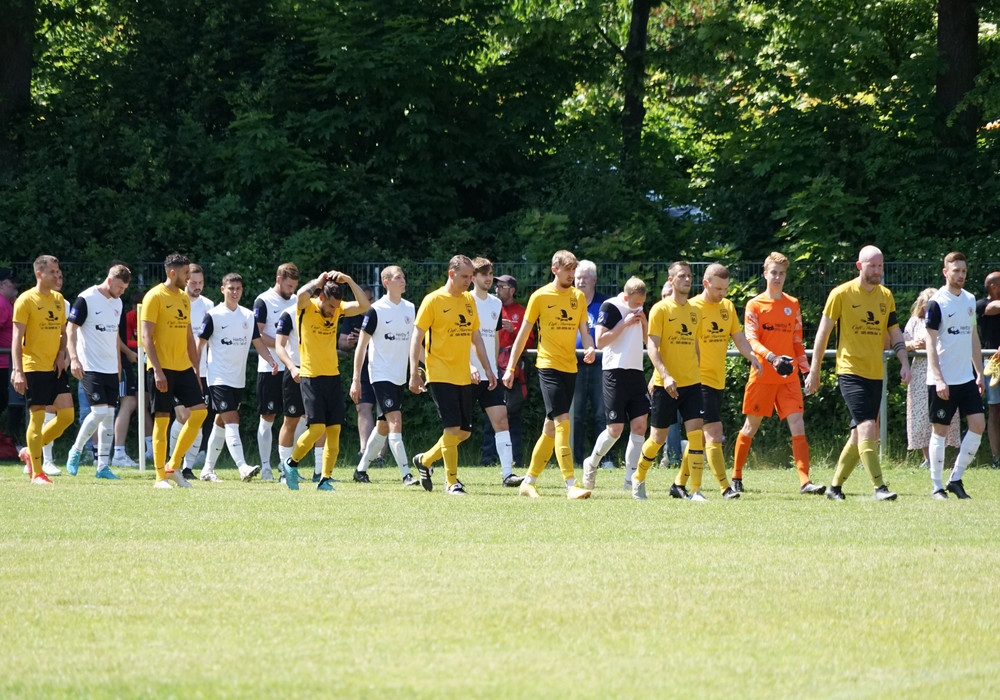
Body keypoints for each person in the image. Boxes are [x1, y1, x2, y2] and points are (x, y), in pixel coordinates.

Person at [805, 245, 910, 501]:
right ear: (859, 266)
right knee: (867, 427)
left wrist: (904, 362)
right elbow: (823, 334)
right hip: (850, 371)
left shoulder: (886, 296)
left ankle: (834, 488)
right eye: (872, 266)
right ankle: (879, 487)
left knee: (858, 435)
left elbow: (894, 331)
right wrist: (814, 370)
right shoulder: (841, 293)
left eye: (880, 265)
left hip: (875, 373)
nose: (877, 270)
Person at [502, 250, 595, 499]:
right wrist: (510, 368)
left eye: (574, 270)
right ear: (555, 270)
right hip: (548, 366)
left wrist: (589, 348)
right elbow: (522, 335)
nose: (572, 275)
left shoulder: (578, 297)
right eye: (567, 270)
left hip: (570, 368)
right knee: (563, 422)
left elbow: (584, 331)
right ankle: (570, 485)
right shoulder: (540, 296)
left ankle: (528, 481)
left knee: (550, 428)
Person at [731, 252, 826, 495]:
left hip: (788, 377)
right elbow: (751, 339)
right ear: (765, 274)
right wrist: (772, 358)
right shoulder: (754, 305)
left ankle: (805, 481)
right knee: (751, 426)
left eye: (782, 273)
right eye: (773, 272)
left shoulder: (792, 304)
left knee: (798, 423)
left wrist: (806, 371)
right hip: (763, 374)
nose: (777, 277)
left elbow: (797, 341)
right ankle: (736, 476)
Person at [408, 255, 497, 495]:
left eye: (470, 276)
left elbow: (476, 337)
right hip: (439, 373)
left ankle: (425, 460)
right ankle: (451, 482)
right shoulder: (433, 300)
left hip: (463, 375)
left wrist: (488, 368)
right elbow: (416, 337)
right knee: (452, 428)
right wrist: (414, 373)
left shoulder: (468, 300)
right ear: (451, 274)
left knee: (464, 432)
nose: (469, 281)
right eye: (465, 276)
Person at [281, 270, 370, 491]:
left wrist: (349, 280)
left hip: (332, 376)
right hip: (310, 376)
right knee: (316, 428)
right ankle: (291, 463)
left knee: (334, 431)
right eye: (330, 306)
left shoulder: (338, 308)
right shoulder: (306, 306)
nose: (333, 311)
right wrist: (318, 282)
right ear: (321, 297)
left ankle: (325, 479)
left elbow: (364, 306)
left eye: (336, 307)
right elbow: (301, 294)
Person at [673, 263, 756, 499]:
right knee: (714, 431)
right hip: (698, 381)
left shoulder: (727, 307)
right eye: (718, 288)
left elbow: (738, 338)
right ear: (705, 284)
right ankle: (725, 487)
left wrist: (753, 358)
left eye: (725, 289)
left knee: (698, 437)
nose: (723, 293)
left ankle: (678, 484)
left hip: (718, 380)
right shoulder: (692, 308)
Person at [630, 261, 705, 500]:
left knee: (696, 435)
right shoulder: (660, 309)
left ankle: (696, 490)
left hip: (692, 383)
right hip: (666, 385)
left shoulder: (695, 311)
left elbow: (695, 345)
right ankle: (638, 477)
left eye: (689, 275)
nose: (687, 279)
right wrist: (665, 375)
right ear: (671, 280)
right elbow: (652, 346)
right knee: (657, 439)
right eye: (682, 276)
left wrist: (698, 372)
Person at [196, 272, 279, 482]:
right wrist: (196, 371)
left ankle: (207, 470)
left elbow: (258, 343)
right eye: (230, 288)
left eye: (238, 289)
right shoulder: (213, 315)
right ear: (222, 290)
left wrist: (271, 360)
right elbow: (200, 345)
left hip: (237, 379)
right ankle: (243, 467)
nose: (234, 292)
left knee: (221, 423)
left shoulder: (248, 316)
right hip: (218, 378)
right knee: (232, 420)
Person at [141, 253, 208, 489]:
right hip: (161, 369)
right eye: (185, 273)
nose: (188, 277)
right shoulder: (154, 296)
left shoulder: (183, 298)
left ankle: (173, 464)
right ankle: (160, 476)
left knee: (200, 413)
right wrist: (157, 371)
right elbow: (146, 337)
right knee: (162, 421)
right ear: (172, 273)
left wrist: (196, 370)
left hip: (184, 368)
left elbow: (189, 337)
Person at [350, 265, 420, 486]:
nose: (403, 280)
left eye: (404, 277)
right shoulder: (376, 310)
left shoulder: (410, 308)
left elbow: (414, 345)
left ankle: (360, 471)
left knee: (382, 425)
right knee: (395, 421)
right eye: (398, 277)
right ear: (386, 282)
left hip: (399, 375)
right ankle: (407, 474)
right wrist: (355, 380)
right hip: (380, 375)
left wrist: (425, 368)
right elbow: (361, 347)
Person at [579, 277, 649, 495]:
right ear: (626, 297)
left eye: (642, 303)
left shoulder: (640, 307)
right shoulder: (610, 306)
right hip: (614, 372)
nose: (639, 306)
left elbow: (647, 340)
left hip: (636, 371)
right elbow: (600, 341)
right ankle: (591, 463)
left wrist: (644, 321)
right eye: (636, 303)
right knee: (615, 430)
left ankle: (630, 479)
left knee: (640, 426)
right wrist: (623, 323)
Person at [924, 252, 985, 499]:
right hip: (943, 380)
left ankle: (955, 478)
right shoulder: (936, 302)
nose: (960, 275)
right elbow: (930, 343)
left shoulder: (970, 299)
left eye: (963, 271)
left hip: (966, 379)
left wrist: (979, 373)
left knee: (978, 425)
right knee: (940, 431)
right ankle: (937, 486)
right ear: (945, 272)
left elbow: (973, 337)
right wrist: (939, 378)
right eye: (956, 270)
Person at [10, 255, 75, 484]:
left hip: (54, 367)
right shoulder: (25, 300)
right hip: (33, 367)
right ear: (39, 274)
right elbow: (16, 339)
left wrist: (61, 354)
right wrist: (18, 370)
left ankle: (30, 451)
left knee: (67, 416)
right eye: (52, 272)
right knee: (36, 419)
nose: (57, 276)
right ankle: (37, 472)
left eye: (58, 272)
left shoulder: (58, 299)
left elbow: (63, 332)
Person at [64, 263, 132, 479]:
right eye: (119, 287)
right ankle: (75, 450)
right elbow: (70, 329)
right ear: (110, 280)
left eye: (125, 289)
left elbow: (114, 336)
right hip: (90, 366)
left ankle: (102, 466)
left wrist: (118, 365)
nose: (121, 292)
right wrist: (74, 359)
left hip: (110, 368)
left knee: (109, 417)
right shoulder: (86, 298)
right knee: (99, 412)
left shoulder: (118, 302)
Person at [468, 258, 523, 487]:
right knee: (458, 430)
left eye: (490, 273)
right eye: (483, 274)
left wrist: (495, 367)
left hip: (491, 375)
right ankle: (426, 460)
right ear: (472, 277)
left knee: (501, 420)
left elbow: (496, 337)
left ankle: (507, 474)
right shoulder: (464, 301)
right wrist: (469, 365)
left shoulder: (495, 304)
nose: (488, 278)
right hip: (467, 374)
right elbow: (460, 338)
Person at [253, 263, 300, 481]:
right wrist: (283, 344)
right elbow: (258, 334)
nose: (292, 290)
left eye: (294, 286)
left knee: (298, 417)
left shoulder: (298, 300)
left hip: (294, 368)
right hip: (270, 367)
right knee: (268, 417)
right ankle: (266, 468)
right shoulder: (263, 300)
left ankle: (286, 465)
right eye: (289, 286)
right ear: (278, 280)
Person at [482, 273, 533, 469]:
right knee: (490, 415)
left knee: (513, 416)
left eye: (501, 287)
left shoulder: (522, 312)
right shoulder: (491, 307)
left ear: (512, 290)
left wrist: (514, 332)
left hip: (513, 372)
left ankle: (516, 460)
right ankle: (488, 459)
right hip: (491, 369)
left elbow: (531, 342)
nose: (497, 289)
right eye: (496, 286)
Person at [905, 288, 961, 466]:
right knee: (921, 414)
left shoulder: (947, 319)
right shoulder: (915, 322)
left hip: (943, 370)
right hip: (920, 374)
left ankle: (939, 456)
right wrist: (913, 344)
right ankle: (928, 459)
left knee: (943, 411)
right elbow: (902, 342)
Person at [169, 263, 215, 478]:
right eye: (194, 282)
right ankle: (172, 460)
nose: (198, 286)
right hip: (179, 369)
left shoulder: (209, 305)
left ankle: (187, 467)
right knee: (182, 416)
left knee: (198, 417)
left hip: (203, 372)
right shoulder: (176, 301)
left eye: (201, 283)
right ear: (185, 281)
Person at [273, 306, 325, 482]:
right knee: (290, 421)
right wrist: (291, 367)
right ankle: (285, 472)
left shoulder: (326, 311)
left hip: (319, 372)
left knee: (321, 422)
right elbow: (279, 346)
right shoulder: (289, 313)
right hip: (296, 371)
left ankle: (320, 473)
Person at [571, 260, 611, 468]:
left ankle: (604, 459)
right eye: (577, 277)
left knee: (601, 414)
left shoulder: (605, 303)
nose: (580, 281)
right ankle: (575, 459)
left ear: (594, 280)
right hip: (573, 364)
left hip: (600, 364)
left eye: (585, 277)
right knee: (575, 415)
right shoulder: (568, 300)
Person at [112, 287, 152, 467]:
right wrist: (141, 345)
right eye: (137, 307)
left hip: (148, 364)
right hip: (128, 363)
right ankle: (116, 452)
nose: (138, 311)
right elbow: (123, 340)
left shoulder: (153, 316)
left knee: (143, 404)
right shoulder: (127, 316)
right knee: (129, 403)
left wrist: (147, 346)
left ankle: (151, 449)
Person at [340, 285, 379, 464]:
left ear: (373, 300)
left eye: (367, 300)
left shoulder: (380, 313)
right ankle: (364, 451)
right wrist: (350, 342)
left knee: (385, 411)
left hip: (382, 366)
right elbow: (341, 342)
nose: (363, 305)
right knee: (362, 407)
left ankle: (379, 456)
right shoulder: (352, 315)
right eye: (360, 301)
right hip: (362, 368)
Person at [975, 271, 1000, 469]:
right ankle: (996, 457)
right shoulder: (981, 305)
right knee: (994, 410)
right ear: (993, 287)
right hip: (993, 364)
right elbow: (994, 307)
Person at [0, 268, 17, 450]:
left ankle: (8, 441)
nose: (15, 286)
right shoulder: (1, 303)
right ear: (1, 285)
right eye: (12, 282)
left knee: (10, 402)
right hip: (3, 364)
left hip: (8, 362)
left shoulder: (7, 302)